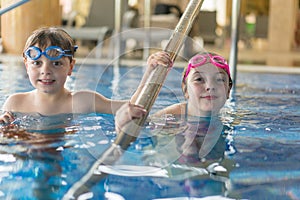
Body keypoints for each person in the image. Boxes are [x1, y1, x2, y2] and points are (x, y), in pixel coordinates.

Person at [0, 27, 145, 124]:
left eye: (56, 63)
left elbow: (135, 108)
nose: (46, 71)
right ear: (26, 65)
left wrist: (150, 71)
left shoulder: (83, 101)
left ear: (70, 67)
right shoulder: (15, 103)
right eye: (37, 63)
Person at [115, 50, 233, 133]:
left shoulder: (230, 119)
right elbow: (137, 124)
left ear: (228, 90)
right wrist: (150, 74)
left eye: (219, 80)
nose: (210, 86)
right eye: (199, 79)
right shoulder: (171, 116)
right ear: (185, 89)